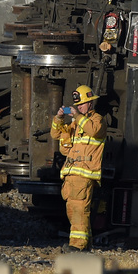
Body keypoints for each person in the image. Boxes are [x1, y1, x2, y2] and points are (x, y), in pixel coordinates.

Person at [50, 84, 107, 252]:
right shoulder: (75, 124)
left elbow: (94, 130)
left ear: (90, 103)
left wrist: (78, 117)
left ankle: (77, 246)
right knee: (73, 211)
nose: (79, 107)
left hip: (84, 175)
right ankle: (85, 245)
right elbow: (56, 135)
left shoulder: (97, 120)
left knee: (79, 211)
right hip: (71, 175)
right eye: (77, 105)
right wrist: (59, 118)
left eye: (82, 104)